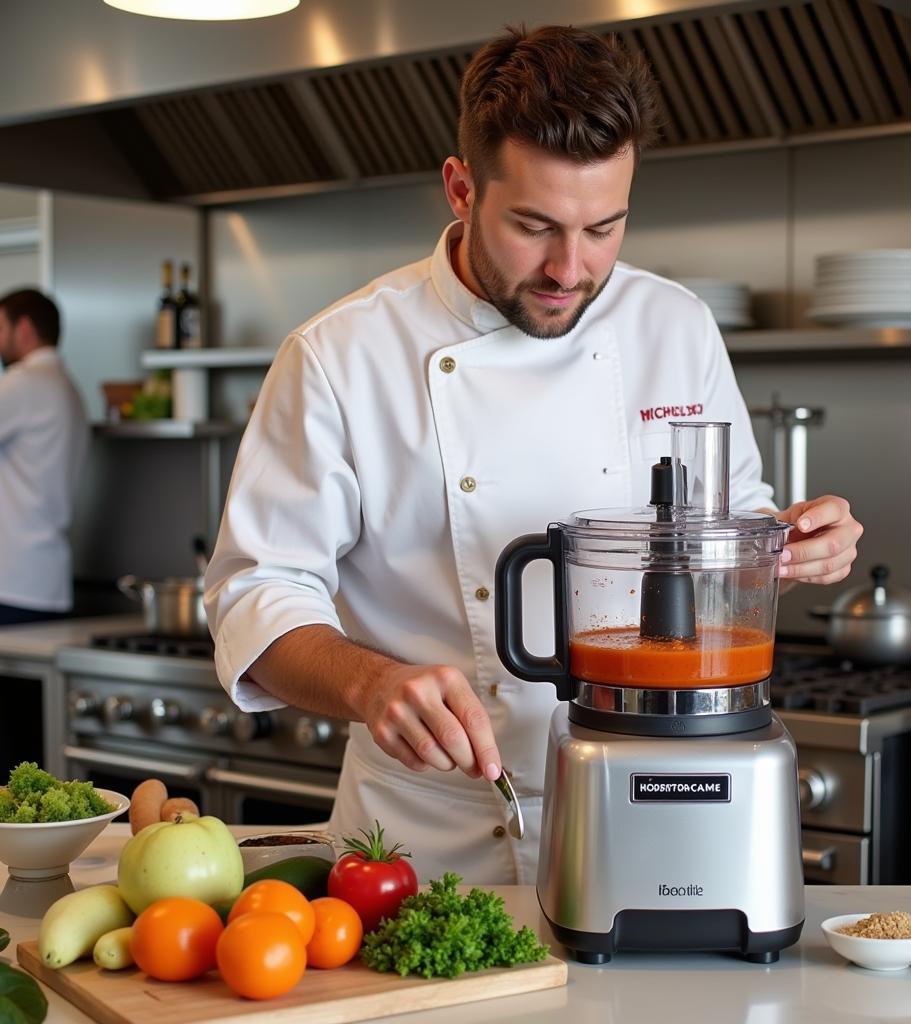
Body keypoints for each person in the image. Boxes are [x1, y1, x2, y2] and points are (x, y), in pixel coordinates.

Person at [205, 25, 863, 884]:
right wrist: (370, 684)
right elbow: (255, 591)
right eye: (533, 225)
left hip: (648, 803)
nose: (570, 268)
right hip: (422, 836)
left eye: (604, 228)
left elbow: (727, 533)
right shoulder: (340, 354)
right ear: (459, 188)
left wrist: (790, 541)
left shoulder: (674, 326)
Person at [0, 288, 89, 625]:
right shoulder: (70, 390)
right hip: (48, 583)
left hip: (11, 583)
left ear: (24, 329)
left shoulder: (22, 383)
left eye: (0, 329)